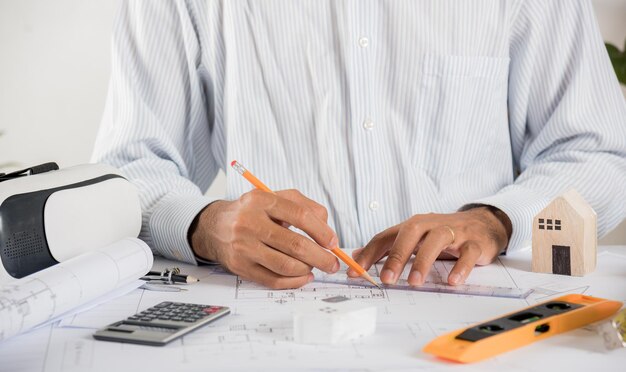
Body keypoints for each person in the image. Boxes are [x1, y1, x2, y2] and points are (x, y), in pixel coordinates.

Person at [93, 0, 626, 289]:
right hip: (274, 325)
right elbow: (126, 170)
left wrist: (495, 220)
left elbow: (597, 151)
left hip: (476, 323)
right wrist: (204, 225)